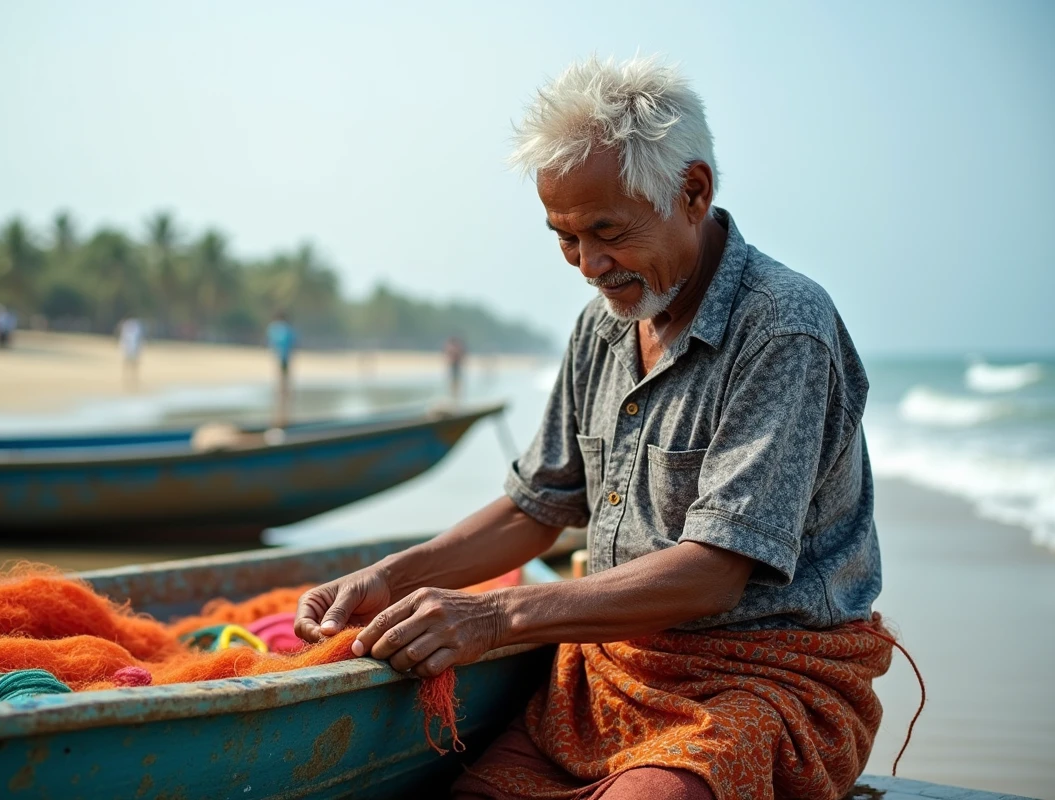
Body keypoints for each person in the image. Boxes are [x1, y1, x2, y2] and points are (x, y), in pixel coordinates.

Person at [293, 56, 891, 800]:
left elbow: (713, 572)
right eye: (564, 237)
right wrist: (389, 578)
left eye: (607, 232)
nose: (587, 264)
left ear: (693, 192)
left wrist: (496, 615)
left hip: (763, 682)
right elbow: (535, 507)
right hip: (601, 680)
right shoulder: (604, 325)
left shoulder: (783, 329)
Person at [266, 312, 296, 427]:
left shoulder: (273, 328)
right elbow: (292, 342)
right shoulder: (285, 329)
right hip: (285, 355)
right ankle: (284, 392)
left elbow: (272, 342)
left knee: (280, 374)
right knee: (284, 375)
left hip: (279, 355)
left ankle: (281, 392)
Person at [118, 317, 144, 388]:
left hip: (131, 348)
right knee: (130, 363)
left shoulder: (129, 327)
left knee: (132, 364)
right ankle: (129, 377)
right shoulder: (132, 327)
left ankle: (131, 378)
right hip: (130, 348)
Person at [444, 335, 466, 402]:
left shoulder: (455, 347)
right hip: (454, 364)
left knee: (456, 380)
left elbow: (460, 355)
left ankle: (455, 396)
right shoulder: (454, 347)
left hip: (456, 364)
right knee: (454, 380)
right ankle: (454, 396)